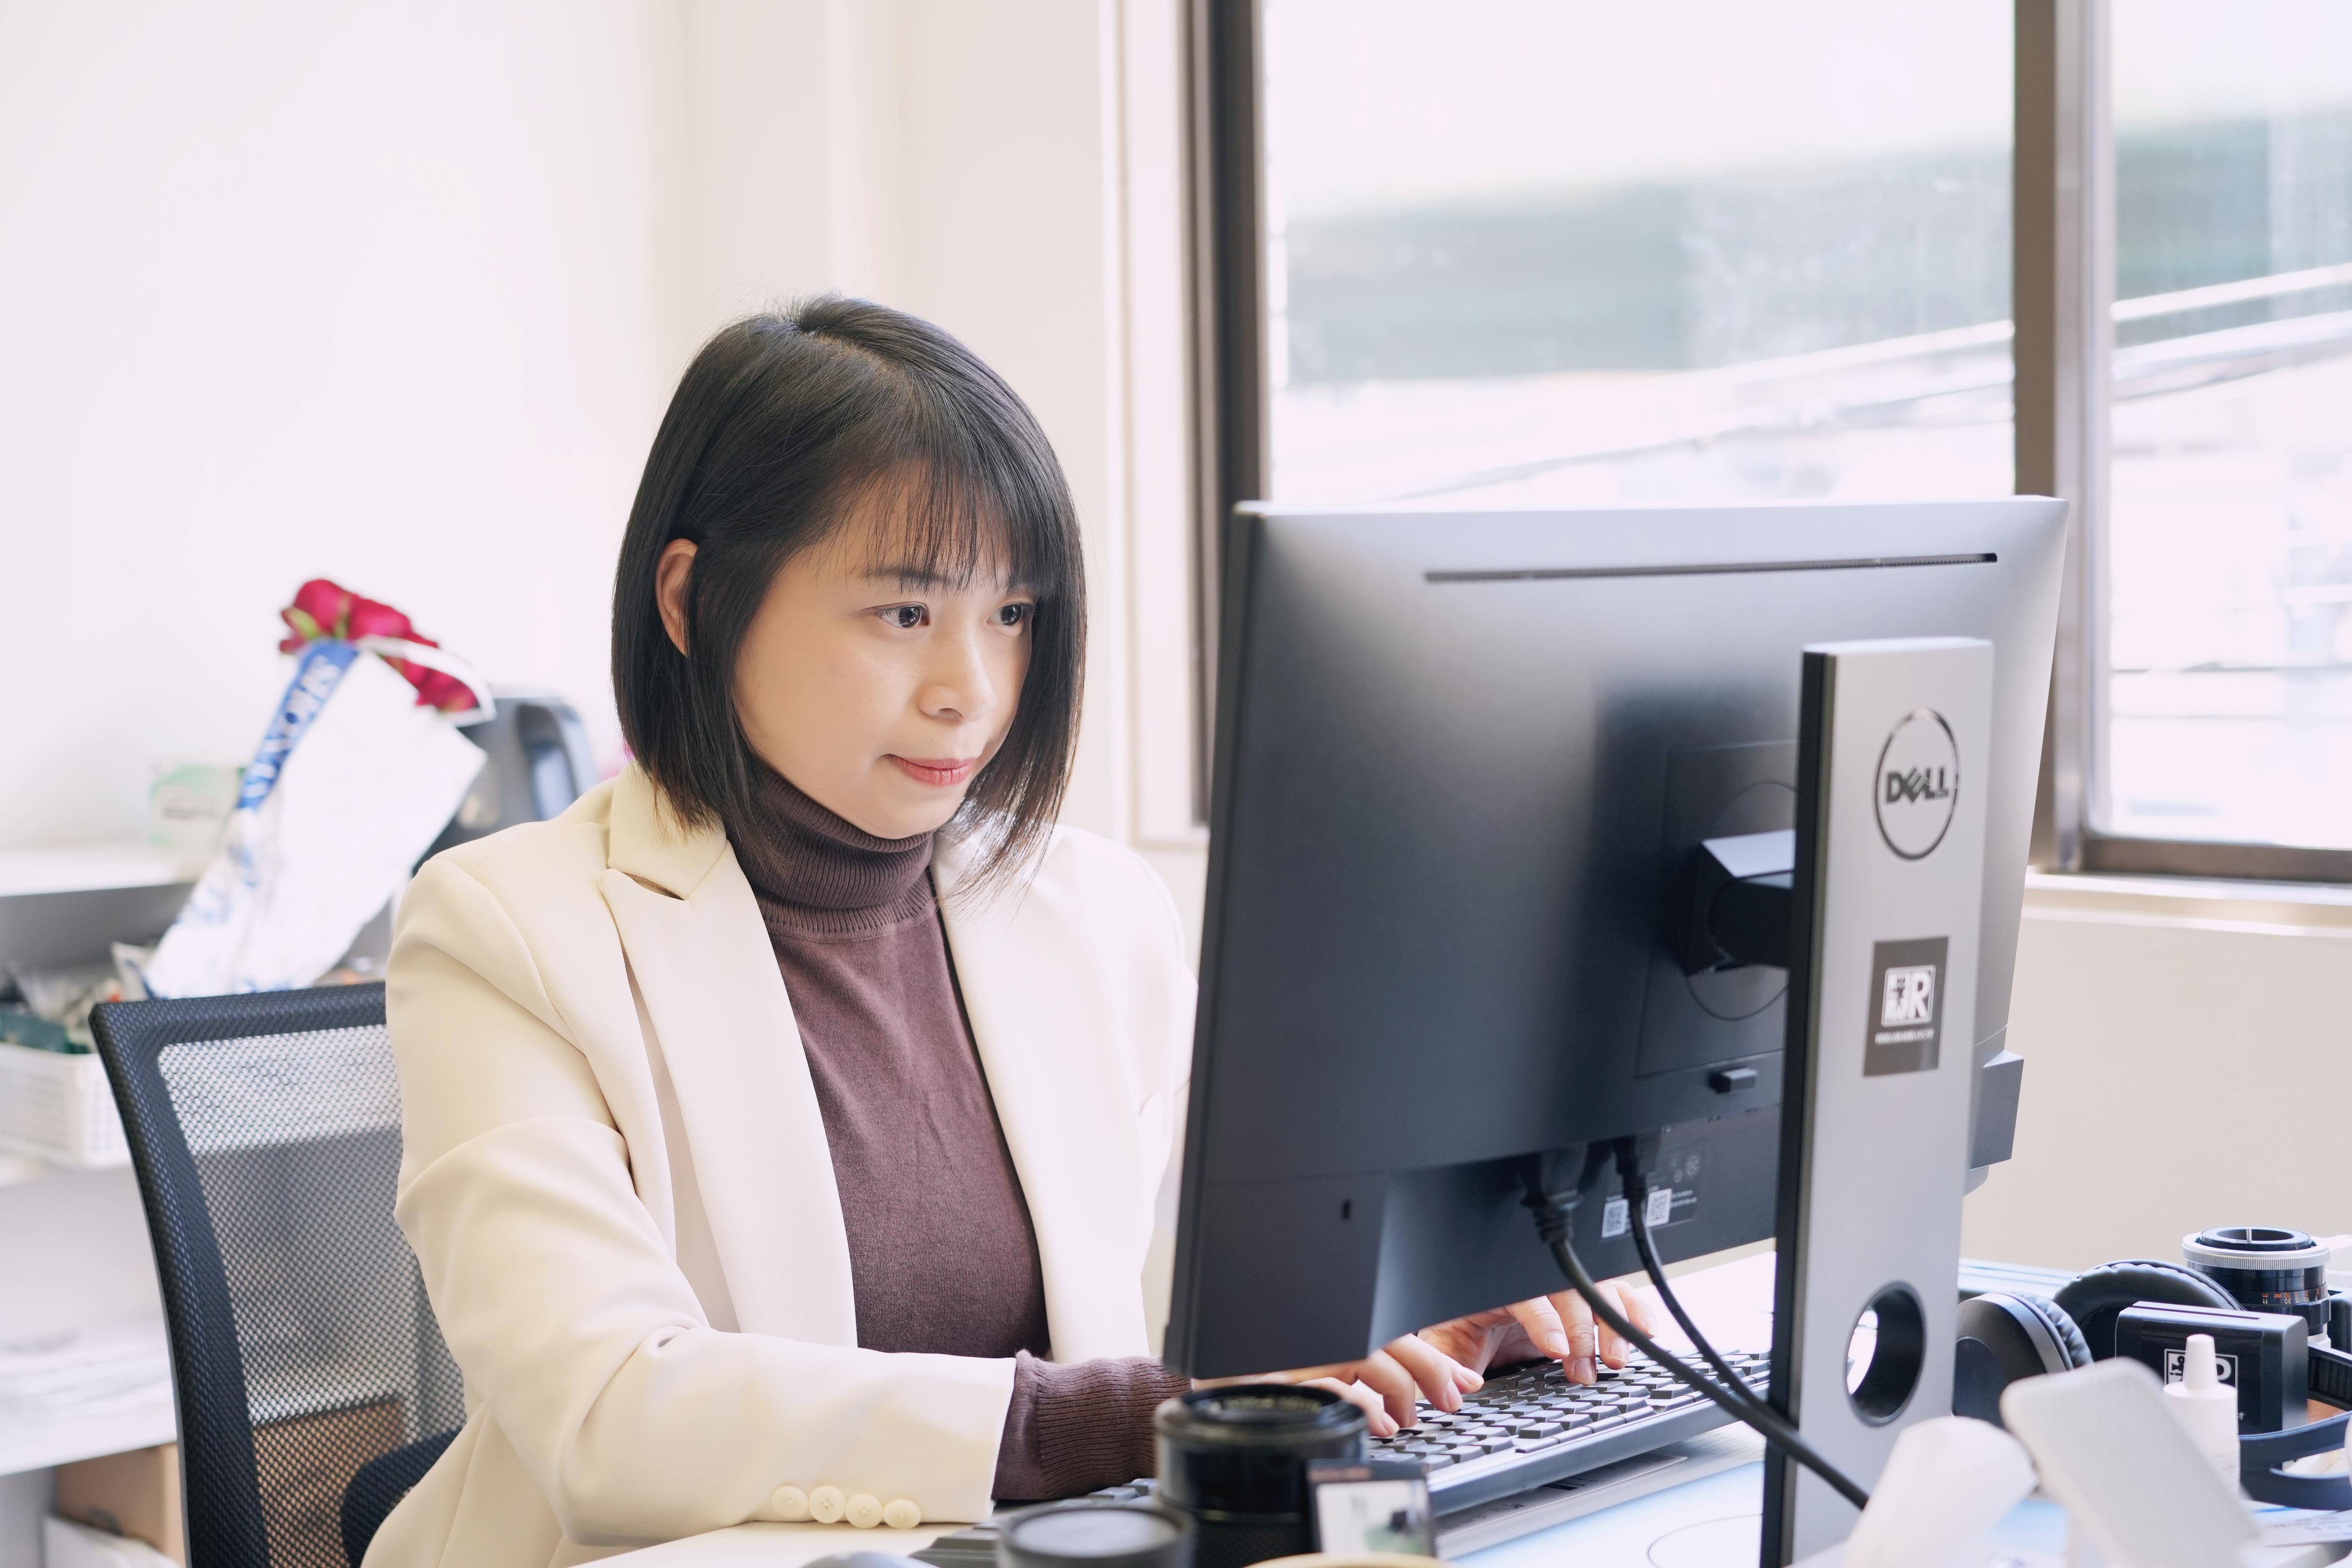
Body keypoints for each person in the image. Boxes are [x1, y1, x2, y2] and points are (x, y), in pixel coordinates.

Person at [373, 298, 1660, 1566]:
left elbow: (1215, 1289)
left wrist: (1410, 1303)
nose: (971, 691)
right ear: (694, 601)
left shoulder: (1095, 912)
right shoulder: (506, 933)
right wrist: (1142, 1414)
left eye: (1013, 614)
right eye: (903, 613)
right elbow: (613, 1416)